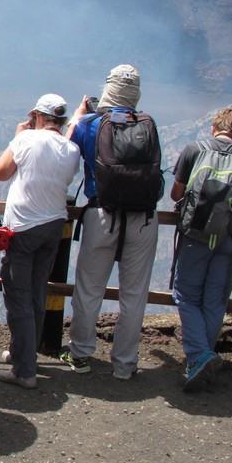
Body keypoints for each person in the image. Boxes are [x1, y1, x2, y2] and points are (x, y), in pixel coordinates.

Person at [62, 64, 161, 380]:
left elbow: (64, 153)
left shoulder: (91, 124)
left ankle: (79, 355)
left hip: (101, 214)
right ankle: (125, 364)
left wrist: (78, 117)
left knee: (89, 288)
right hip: (144, 219)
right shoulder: (147, 124)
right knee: (134, 293)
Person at [0, 95, 80, 389]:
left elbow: (1, 172)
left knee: (18, 296)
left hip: (24, 229)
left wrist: (17, 137)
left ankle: (25, 371)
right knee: (36, 293)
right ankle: (23, 353)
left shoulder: (27, 139)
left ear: (38, 117)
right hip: (54, 225)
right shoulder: (71, 149)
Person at [170, 108, 232, 392]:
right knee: (214, 301)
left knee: (185, 295)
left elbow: (175, 194)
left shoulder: (193, 150)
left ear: (213, 128)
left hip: (195, 238)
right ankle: (200, 361)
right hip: (229, 240)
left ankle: (199, 358)